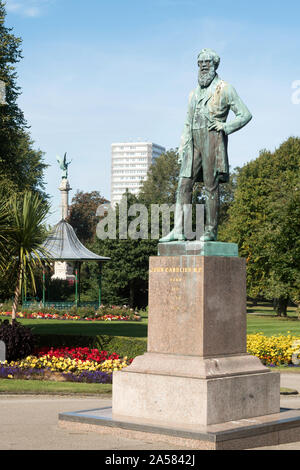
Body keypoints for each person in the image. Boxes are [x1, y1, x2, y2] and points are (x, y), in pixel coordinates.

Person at [160, 48, 252, 242]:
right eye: (200, 63)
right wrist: (182, 145)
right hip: (193, 142)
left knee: (211, 186)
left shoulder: (225, 88)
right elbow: (187, 122)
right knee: (183, 184)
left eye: (207, 62)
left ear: (215, 64)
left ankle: (211, 230)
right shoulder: (193, 94)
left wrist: (225, 126)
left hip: (212, 139)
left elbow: (245, 114)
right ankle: (179, 230)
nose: (203, 66)